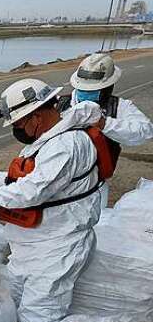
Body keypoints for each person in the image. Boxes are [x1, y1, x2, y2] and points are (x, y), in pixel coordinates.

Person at [0, 79, 108, 322]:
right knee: (10, 305)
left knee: (39, 321)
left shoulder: (66, 145)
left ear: (35, 116)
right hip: (32, 248)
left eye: (17, 125)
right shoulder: (48, 141)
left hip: (57, 248)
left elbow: (32, 191)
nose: (17, 131)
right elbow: (24, 178)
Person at [63, 51, 153, 206]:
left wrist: (105, 124)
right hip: (57, 185)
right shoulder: (59, 105)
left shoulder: (119, 107)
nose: (87, 93)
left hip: (94, 188)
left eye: (93, 90)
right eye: (84, 89)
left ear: (108, 87)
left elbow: (145, 131)